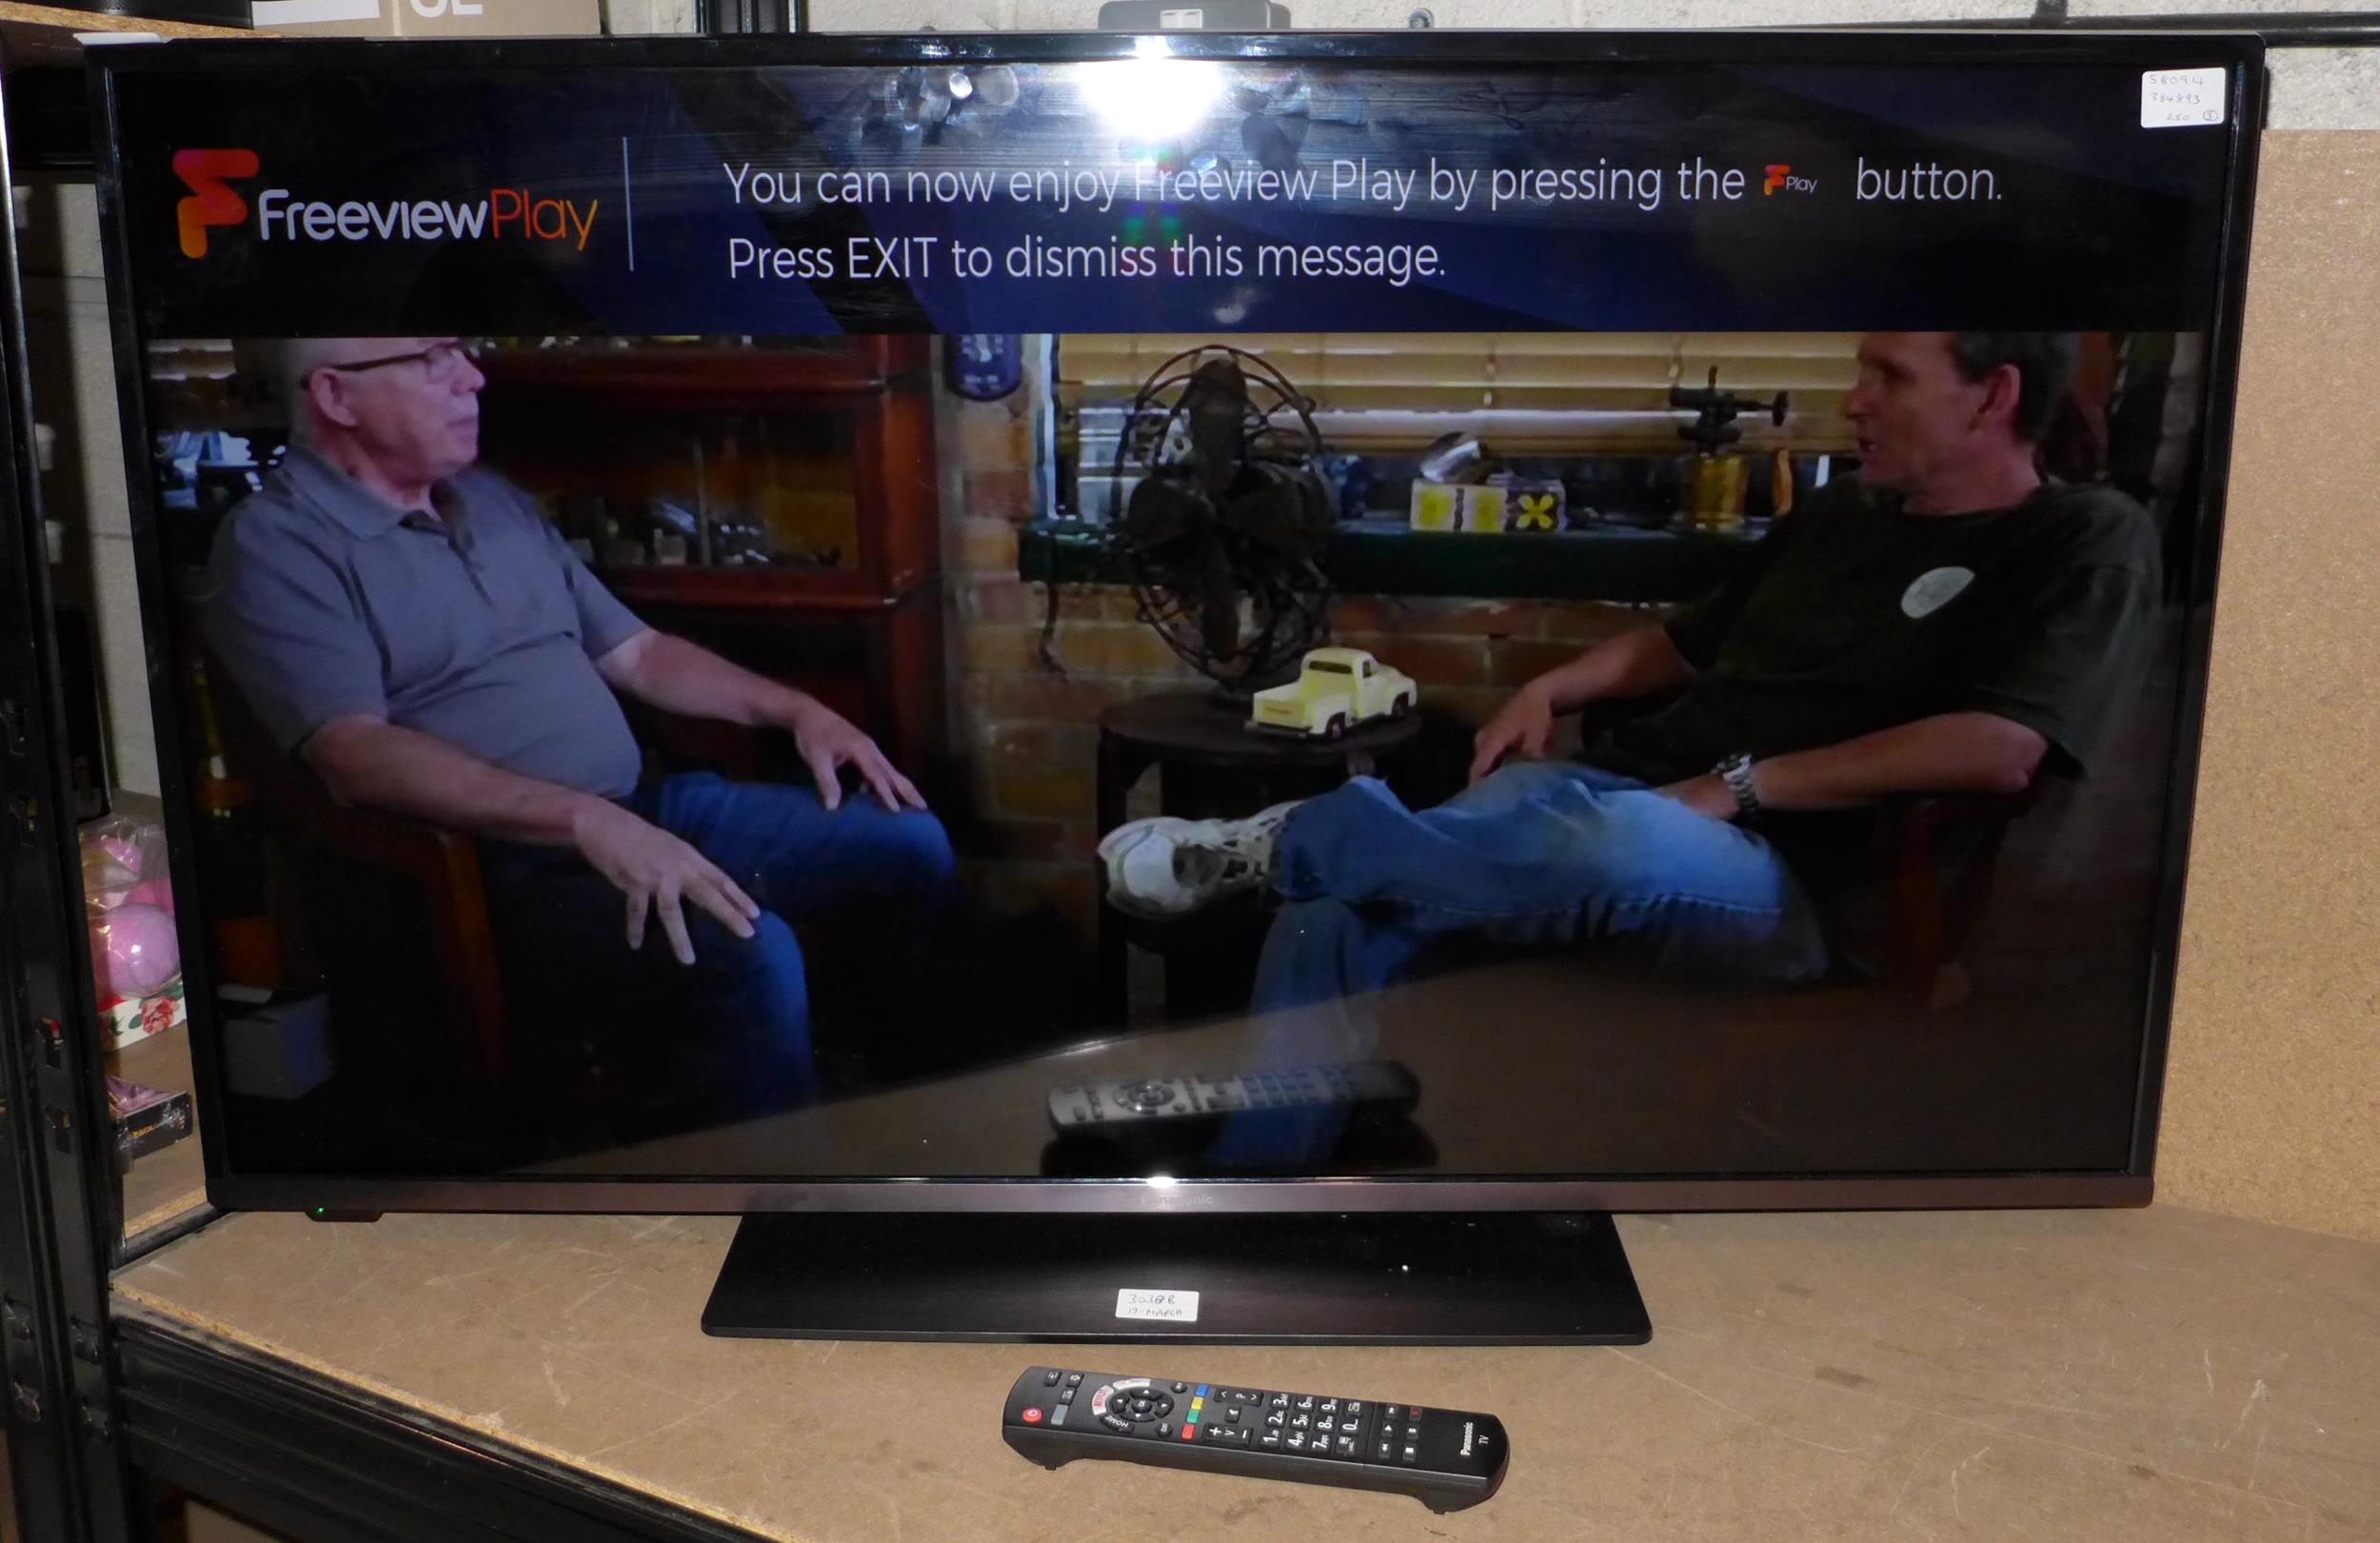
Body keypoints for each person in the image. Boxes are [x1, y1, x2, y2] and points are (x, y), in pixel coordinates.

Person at [1100, 331, 2162, 1032]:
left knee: (1606, 839)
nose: (1855, 399)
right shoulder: (1842, 514)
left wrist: (1738, 788)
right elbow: (1683, 645)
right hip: (1623, 793)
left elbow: (1999, 747)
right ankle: (1277, 1192)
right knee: (1334, 913)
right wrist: (1552, 690)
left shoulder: (2082, 536)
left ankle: (1287, 839)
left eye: (1889, 376)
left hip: (1799, 877)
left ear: (1994, 396)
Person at [199, 336, 956, 1125]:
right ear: (335, 395)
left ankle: (910, 1116)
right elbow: (351, 752)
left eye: (464, 351)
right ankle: (771, 1183)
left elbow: (639, 653)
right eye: (432, 361)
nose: (473, 377)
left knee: (909, 845)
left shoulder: (488, 498)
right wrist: (583, 819)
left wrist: (798, 711)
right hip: (496, 877)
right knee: (751, 948)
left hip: (642, 809)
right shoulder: (276, 545)